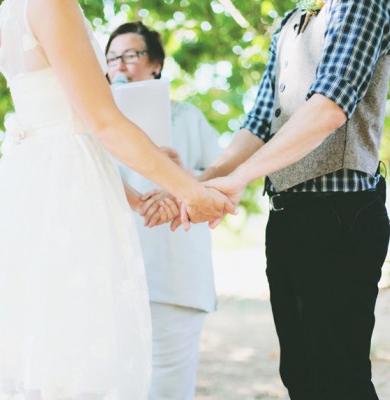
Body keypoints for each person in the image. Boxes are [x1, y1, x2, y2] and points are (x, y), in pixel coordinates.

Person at [0, 0, 235, 399]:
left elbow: (63, 124)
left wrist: (135, 198)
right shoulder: (53, 4)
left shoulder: (7, 15)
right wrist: (191, 191)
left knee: (44, 345)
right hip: (68, 198)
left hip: (37, 184)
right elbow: (104, 124)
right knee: (77, 346)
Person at [187, 1, 390, 399]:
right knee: (300, 375)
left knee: (339, 377)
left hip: (342, 214)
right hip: (288, 215)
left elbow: (329, 107)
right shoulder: (290, 23)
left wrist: (239, 180)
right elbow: (259, 123)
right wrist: (196, 184)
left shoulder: (361, 5)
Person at [105, 21, 221, 400]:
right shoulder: (95, 125)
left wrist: (180, 175)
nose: (119, 65)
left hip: (175, 274)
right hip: (113, 275)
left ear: (155, 63)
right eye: (111, 58)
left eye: (130, 55)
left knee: (169, 388)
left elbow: (223, 184)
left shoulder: (188, 117)